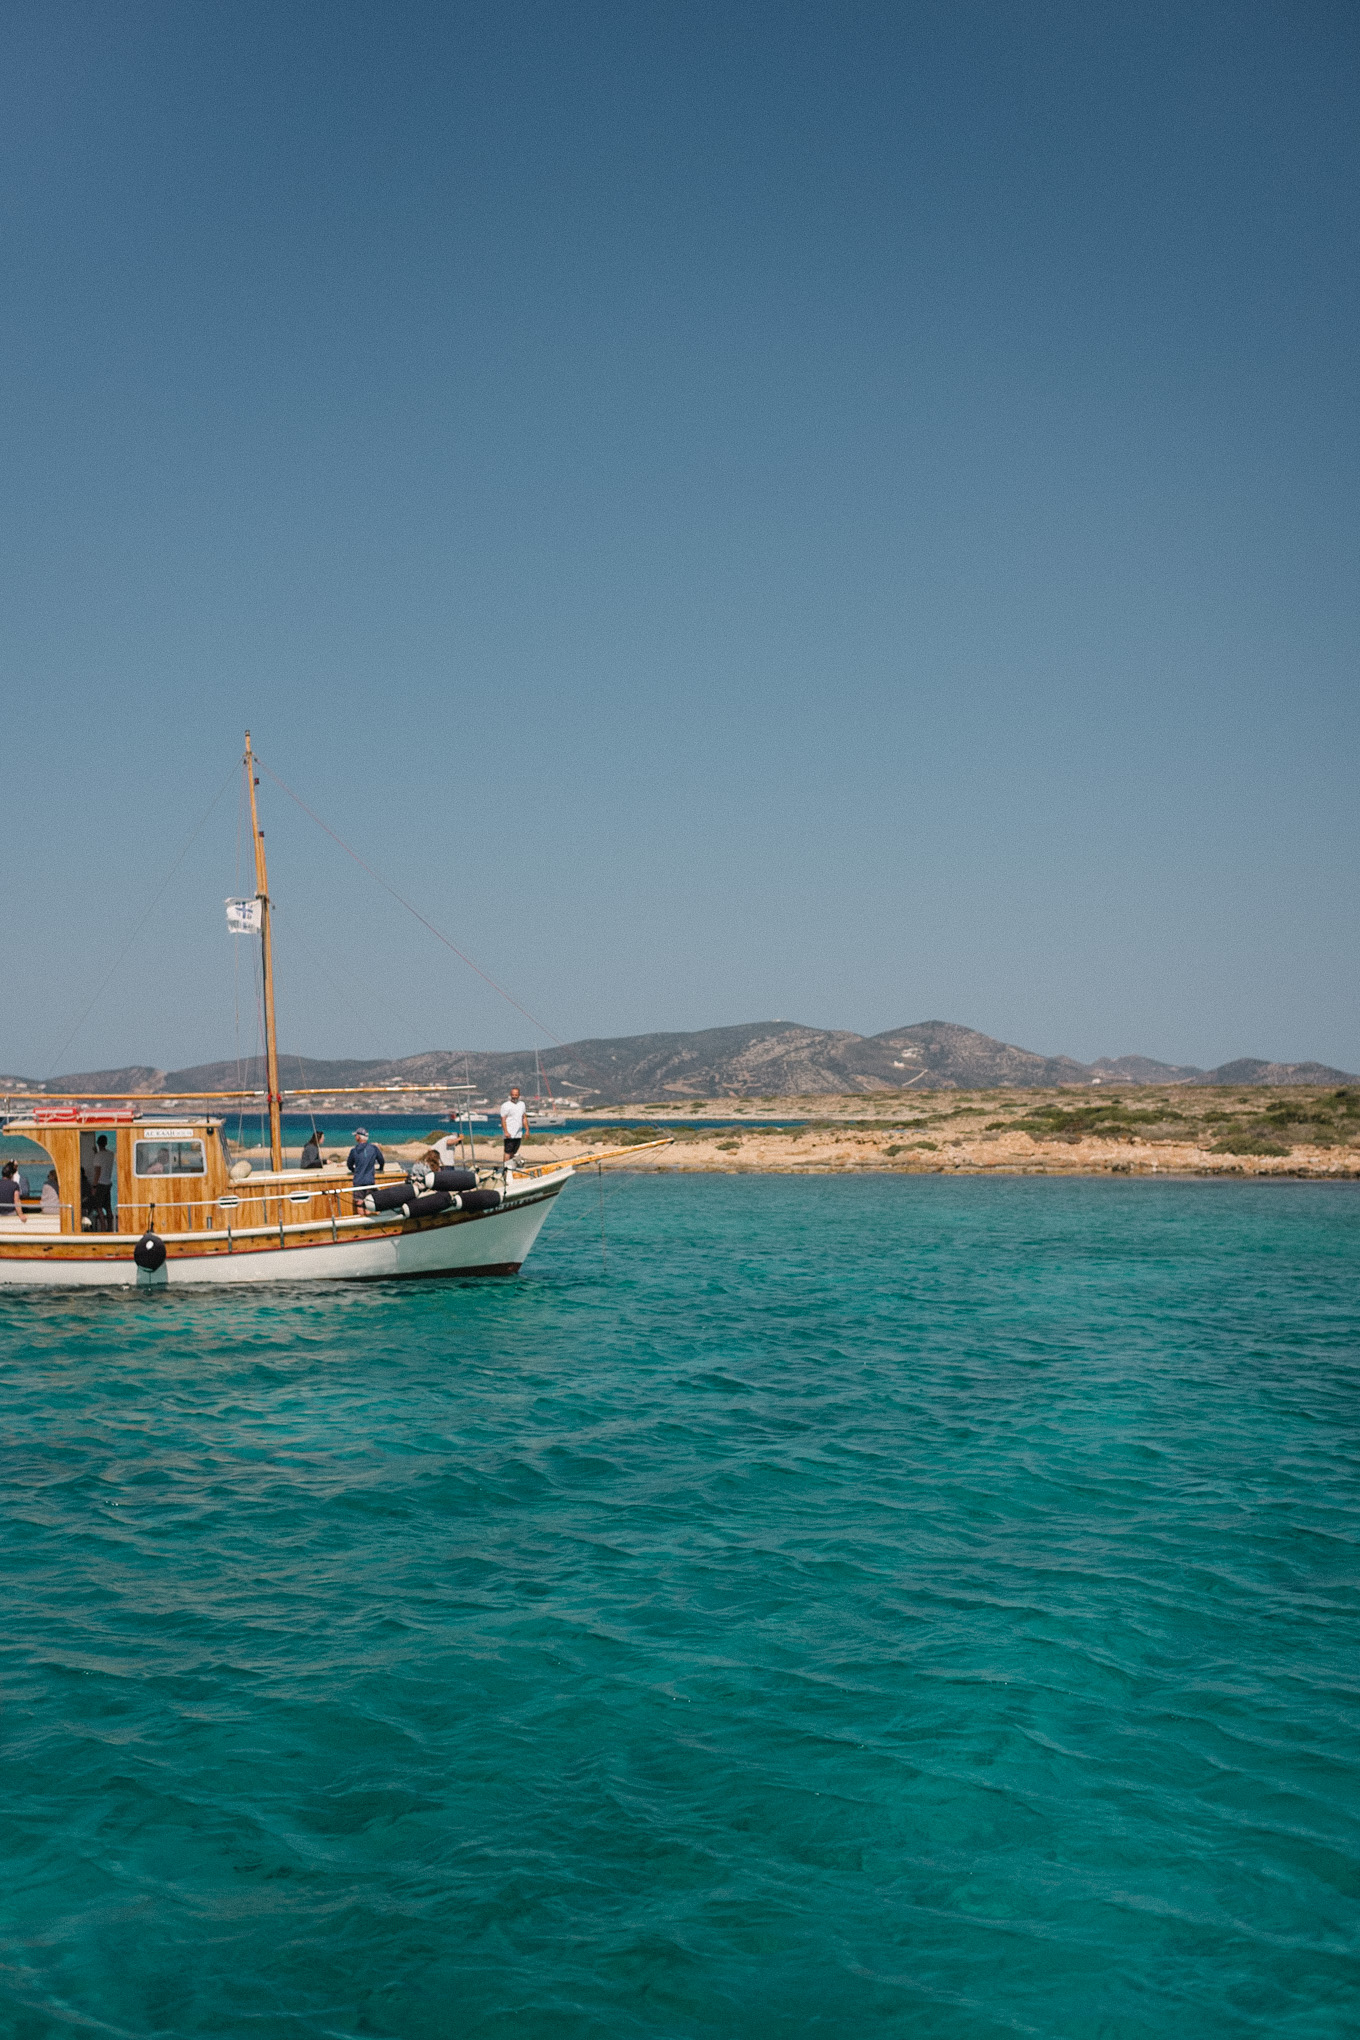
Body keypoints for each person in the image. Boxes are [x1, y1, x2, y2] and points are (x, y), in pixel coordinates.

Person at [500, 1087, 528, 1169]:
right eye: (513, 1095)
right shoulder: (505, 1105)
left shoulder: (522, 1104)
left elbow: (524, 1117)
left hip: (518, 1133)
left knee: (514, 1152)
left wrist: (527, 1130)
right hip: (509, 1133)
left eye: (516, 1095)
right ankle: (506, 1170)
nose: (514, 1096)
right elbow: (503, 1119)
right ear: (510, 1095)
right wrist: (506, 1132)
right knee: (508, 1152)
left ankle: (511, 1169)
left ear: (519, 1095)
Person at [89, 1135, 114, 1226]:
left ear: (98, 1143)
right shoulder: (111, 1154)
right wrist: (96, 1153)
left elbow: (98, 1172)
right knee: (108, 1206)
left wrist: (94, 1187)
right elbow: (104, 1161)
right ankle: (110, 1227)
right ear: (106, 1143)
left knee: (98, 1206)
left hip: (100, 1184)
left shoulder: (98, 1156)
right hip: (108, 1183)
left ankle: (103, 1225)